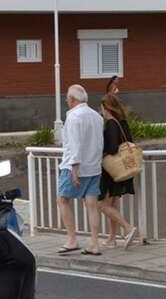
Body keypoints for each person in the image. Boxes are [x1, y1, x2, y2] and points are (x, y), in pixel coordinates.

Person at [57, 84, 104, 256]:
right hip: (94, 167)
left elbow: (74, 146)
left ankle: (72, 239)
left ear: (71, 99)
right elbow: (99, 144)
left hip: (75, 167)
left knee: (62, 200)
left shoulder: (74, 117)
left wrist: (74, 170)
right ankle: (94, 243)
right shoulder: (97, 117)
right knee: (92, 205)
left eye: (67, 99)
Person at [98, 93, 138, 249]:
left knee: (102, 205)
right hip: (122, 168)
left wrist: (101, 154)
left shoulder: (111, 124)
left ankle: (128, 228)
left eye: (101, 107)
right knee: (112, 205)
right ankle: (112, 239)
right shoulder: (122, 122)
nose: (100, 110)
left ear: (106, 107)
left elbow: (113, 147)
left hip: (111, 170)